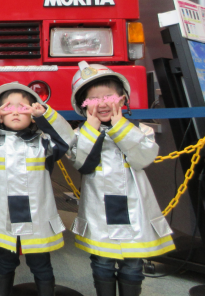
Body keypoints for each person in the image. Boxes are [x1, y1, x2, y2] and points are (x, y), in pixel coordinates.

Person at [68, 62, 175, 296]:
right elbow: (82, 164)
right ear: (83, 105)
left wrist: (119, 127)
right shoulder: (78, 136)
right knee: (102, 264)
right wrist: (91, 130)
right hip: (100, 210)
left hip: (134, 210)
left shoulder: (141, 131)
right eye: (94, 100)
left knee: (133, 266)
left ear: (123, 98)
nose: (103, 103)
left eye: (109, 96)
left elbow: (142, 159)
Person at [0, 83, 76, 296]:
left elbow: (67, 139)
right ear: (0, 114)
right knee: (5, 263)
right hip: (2, 219)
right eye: (8, 107)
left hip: (36, 219)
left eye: (23, 107)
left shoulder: (44, 143)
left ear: (33, 114)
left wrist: (46, 116)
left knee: (41, 264)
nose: (15, 111)